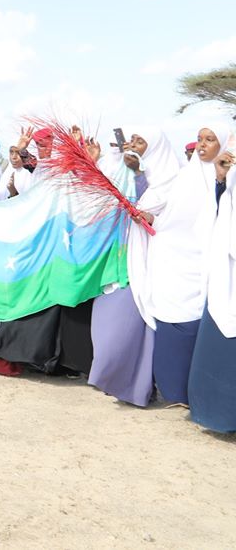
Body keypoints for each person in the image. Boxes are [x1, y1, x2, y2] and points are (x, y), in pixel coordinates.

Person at [133, 121, 232, 405]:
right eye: (199, 138)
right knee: (172, 326)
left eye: (210, 139)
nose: (202, 145)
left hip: (213, 263)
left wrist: (222, 179)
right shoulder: (185, 177)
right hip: (177, 263)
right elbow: (173, 221)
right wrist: (151, 219)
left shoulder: (228, 176)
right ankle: (174, 390)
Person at [89, 127, 179, 406]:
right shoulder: (124, 171)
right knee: (106, 322)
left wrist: (139, 174)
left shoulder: (172, 180)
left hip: (150, 263)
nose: (134, 145)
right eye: (134, 140)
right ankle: (116, 380)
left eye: (141, 142)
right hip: (122, 258)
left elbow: (163, 215)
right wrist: (94, 163)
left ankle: (137, 387)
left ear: (155, 147)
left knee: (134, 326)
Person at [189, 134, 236, 431]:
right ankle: (218, 415)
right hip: (225, 274)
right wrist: (221, 179)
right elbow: (217, 217)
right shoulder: (229, 178)